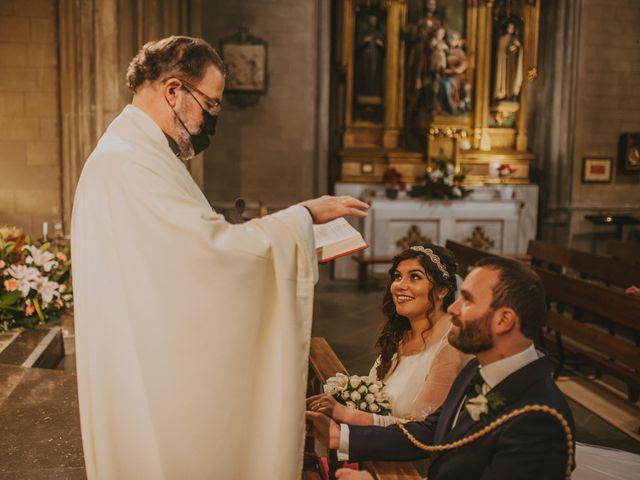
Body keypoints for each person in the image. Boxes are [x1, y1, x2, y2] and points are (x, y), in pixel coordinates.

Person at [71, 36, 368, 480]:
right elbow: (208, 256)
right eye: (210, 105)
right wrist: (303, 218)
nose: (211, 119)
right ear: (173, 90)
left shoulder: (136, 152)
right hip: (149, 369)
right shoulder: (129, 163)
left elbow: (191, 251)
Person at [307, 257, 576, 480]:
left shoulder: (538, 419)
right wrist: (341, 436)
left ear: (504, 320)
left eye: (468, 300)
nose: (455, 308)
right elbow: (432, 432)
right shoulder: (479, 371)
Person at [308, 244, 469, 426]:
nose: (400, 285)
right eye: (398, 276)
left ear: (443, 290)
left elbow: (424, 432)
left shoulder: (450, 349)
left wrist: (349, 415)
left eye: (415, 277)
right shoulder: (402, 333)